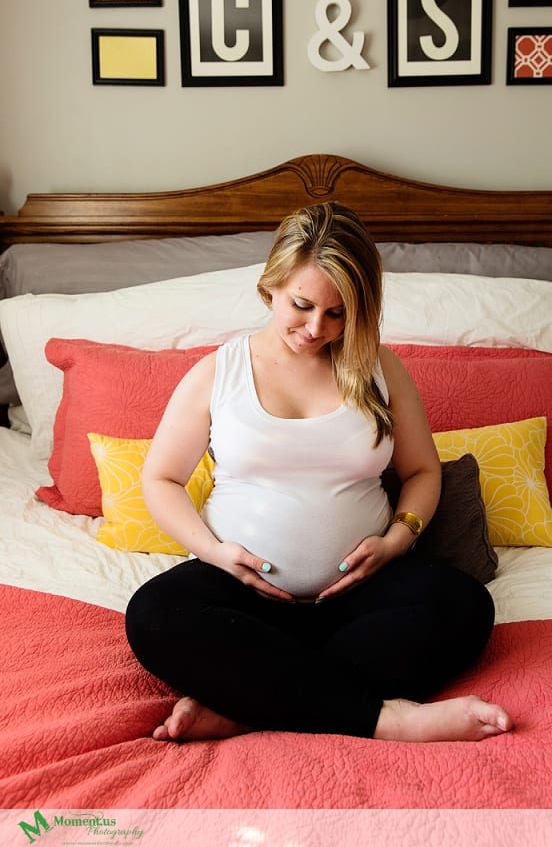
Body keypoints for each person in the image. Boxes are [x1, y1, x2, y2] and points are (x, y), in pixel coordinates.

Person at [125, 201, 513, 744]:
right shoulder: (220, 371)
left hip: (359, 596)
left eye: (338, 314)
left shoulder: (380, 368)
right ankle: (388, 720)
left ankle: (250, 704)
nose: (315, 329)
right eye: (301, 305)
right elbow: (160, 479)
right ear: (271, 287)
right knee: (154, 614)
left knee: (466, 606)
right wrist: (217, 555)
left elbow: (423, 471)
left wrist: (399, 541)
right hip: (241, 595)